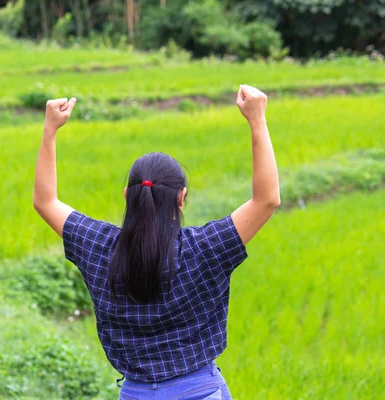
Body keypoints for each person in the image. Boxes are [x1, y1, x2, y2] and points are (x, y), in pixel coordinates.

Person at [33, 84, 280, 399]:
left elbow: (45, 201)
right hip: (200, 391)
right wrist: (257, 120)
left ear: (127, 197)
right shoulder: (204, 248)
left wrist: (50, 129)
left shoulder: (98, 246)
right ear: (182, 198)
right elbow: (267, 200)